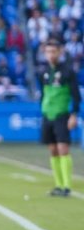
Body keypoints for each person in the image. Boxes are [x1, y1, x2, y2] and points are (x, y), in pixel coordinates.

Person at [38, 38, 81, 197]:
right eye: (48, 51)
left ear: (60, 52)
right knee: (53, 149)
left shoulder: (68, 71)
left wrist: (74, 115)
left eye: (53, 51)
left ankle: (67, 186)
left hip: (62, 115)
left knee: (63, 148)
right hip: (47, 114)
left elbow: (76, 95)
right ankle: (58, 184)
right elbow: (43, 93)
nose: (51, 55)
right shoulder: (43, 72)